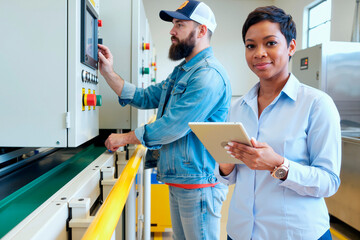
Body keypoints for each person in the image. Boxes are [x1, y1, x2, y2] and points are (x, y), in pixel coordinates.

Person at [98, 1, 232, 239]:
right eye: (173, 24)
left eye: (179, 25)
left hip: (199, 185)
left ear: (201, 31)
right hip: (181, 179)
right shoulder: (183, 71)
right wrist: (108, 71)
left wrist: (126, 138)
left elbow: (174, 126)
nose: (172, 31)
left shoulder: (208, 75)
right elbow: (145, 96)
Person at [215, 6, 341, 240]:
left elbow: (329, 181)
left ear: (291, 46)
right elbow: (231, 178)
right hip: (241, 231)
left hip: (295, 233)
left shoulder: (316, 105)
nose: (259, 53)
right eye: (250, 45)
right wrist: (225, 166)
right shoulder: (238, 107)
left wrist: (279, 165)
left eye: (270, 43)